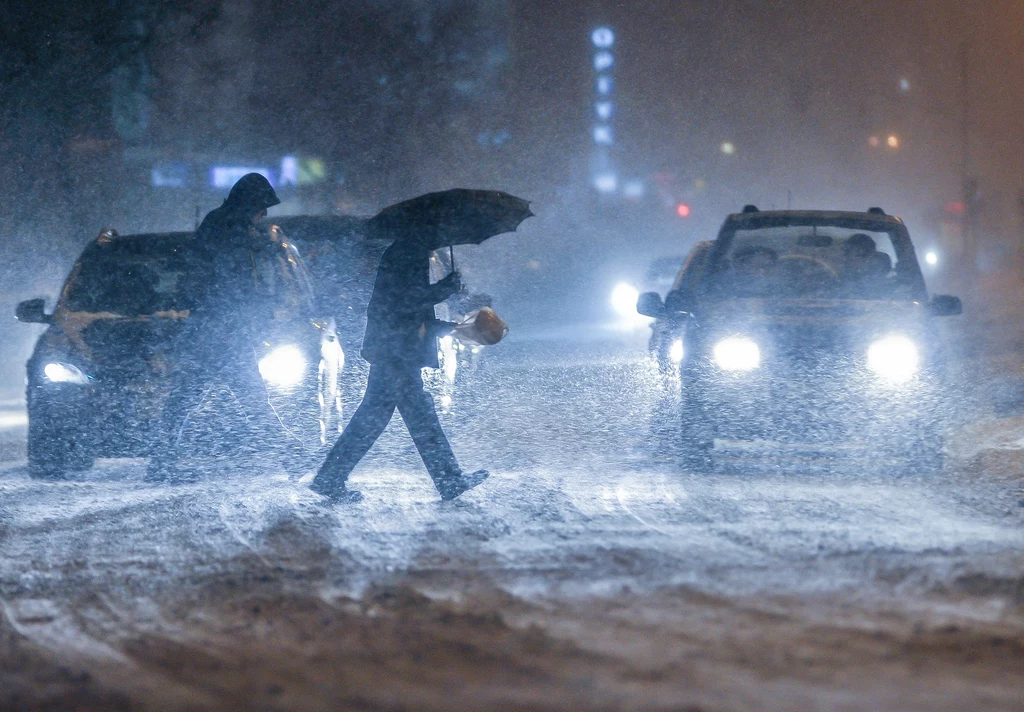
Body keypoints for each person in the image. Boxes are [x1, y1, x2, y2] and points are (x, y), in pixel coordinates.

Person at [309, 233, 490, 503]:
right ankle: (449, 480)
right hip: (396, 350)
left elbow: (411, 312)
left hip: (394, 347)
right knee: (417, 416)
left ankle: (330, 477)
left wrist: (450, 327)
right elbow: (406, 302)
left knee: (375, 418)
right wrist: (445, 288)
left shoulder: (409, 250)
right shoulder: (407, 252)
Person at [147, 173, 302, 482]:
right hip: (220, 329)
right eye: (261, 208)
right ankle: (290, 455)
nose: (263, 216)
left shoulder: (227, 225)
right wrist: (261, 247)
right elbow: (228, 273)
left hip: (216, 328)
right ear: (249, 205)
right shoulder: (226, 226)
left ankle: (161, 463)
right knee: (245, 396)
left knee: (191, 396)